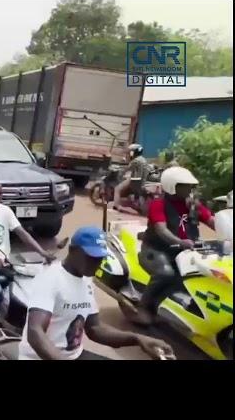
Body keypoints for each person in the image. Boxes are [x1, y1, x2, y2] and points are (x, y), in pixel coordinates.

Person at [18, 226, 175, 360]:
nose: (97, 263)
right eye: (91, 257)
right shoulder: (50, 279)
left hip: (74, 355)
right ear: (73, 251)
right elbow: (35, 331)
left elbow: (95, 329)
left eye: (100, 258)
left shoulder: (86, 279)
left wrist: (138, 339)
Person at [0, 178, 58, 345]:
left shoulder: (5, 211)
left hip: (3, 262)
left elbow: (23, 234)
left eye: (1, 193)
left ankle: (11, 321)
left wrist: (43, 252)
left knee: (27, 287)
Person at [134, 166, 215, 324]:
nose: (190, 188)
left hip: (185, 253)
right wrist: (180, 242)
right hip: (157, 250)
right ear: (173, 186)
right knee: (166, 274)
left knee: (204, 274)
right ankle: (143, 307)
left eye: (191, 185)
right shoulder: (159, 204)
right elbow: (161, 230)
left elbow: (212, 221)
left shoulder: (192, 204)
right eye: (185, 185)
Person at [113, 143, 149, 214]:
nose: (130, 153)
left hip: (136, 180)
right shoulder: (143, 159)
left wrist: (121, 173)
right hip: (142, 180)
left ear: (134, 152)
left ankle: (116, 206)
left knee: (117, 189)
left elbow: (127, 168)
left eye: (131, 152)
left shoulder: (135, 161)